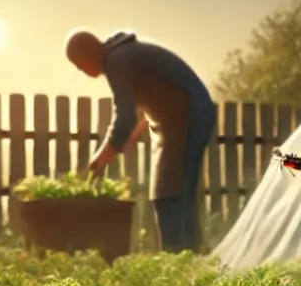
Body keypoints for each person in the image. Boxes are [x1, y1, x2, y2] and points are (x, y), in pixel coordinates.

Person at [65, 29, 217, 252]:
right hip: (177, 117)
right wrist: (119, 145)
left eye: (79, 64)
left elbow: (124, 115)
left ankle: (182, 260)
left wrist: (102, 155)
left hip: (188, 114)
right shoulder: (122, 57)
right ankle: (186, 257)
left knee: (172, 193)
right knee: (170, 191)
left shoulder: (117, 60)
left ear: (89, 54)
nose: (81, 70)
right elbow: (140, 111)